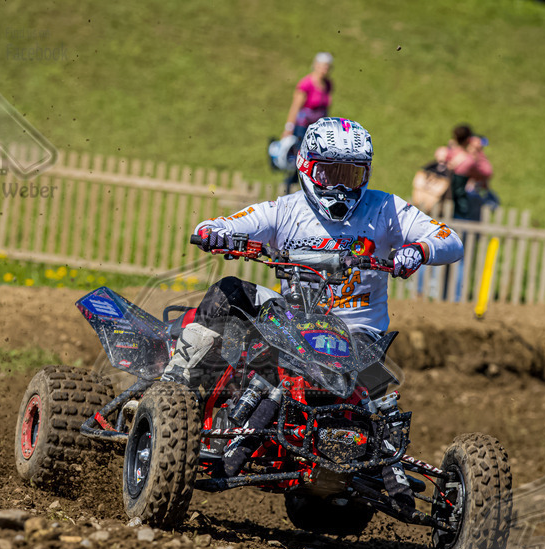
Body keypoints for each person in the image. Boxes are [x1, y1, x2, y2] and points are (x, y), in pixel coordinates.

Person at [161, 117, 463, 482]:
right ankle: (176, 389)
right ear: (307, 166)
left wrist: (420, 249)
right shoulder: (285, 209)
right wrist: (215, 233)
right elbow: (220, 225)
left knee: (375, 405)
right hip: (291, 323)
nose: (339, 185)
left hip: (358, 335)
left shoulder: (385, 209)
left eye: (350, 176)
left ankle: (372, 462)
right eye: (329, 172)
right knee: (228, 291)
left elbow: (451, 240)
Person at [278, 52, 334, 193]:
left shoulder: (327, 85)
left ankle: (313, 188)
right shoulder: (306, 84)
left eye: (327, 66)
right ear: (315, 65)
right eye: (322, 65)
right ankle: (289, 188)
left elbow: (326, 107)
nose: (324, 69)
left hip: (319, 129)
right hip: (303, 128)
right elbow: (296, 106)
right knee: (301, 159)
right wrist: (289, 127)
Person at [436, 124, 497, 221]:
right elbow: (487, 172)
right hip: (459, 201)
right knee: (493, 200)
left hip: (442, 197)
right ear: (469, 139)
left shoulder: (446, 151)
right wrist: (478, 154)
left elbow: (440, 154)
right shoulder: (469, 159)